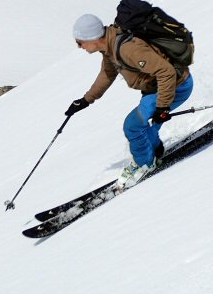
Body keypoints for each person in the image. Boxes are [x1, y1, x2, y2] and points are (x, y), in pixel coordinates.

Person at [66, 13, 193, 186]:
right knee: (143, 124)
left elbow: (166, 72)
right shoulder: (109, 46)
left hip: (176, 86)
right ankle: (155, 150)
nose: (79, 46)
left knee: (132, 126)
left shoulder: (127, 48)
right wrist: (86, 100)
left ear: (92, 38)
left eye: (79, 41)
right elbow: (108, 73)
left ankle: (145, 165)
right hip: (156, 88)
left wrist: (162, 108)